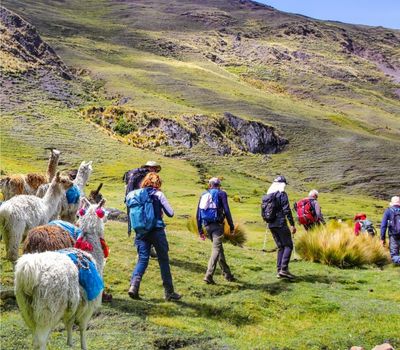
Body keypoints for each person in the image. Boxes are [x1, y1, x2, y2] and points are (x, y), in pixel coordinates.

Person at [127, 172, 181, 301]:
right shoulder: (158, 194)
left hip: (141, 232)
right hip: (157, 230)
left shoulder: (136, 195)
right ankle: (169, 292)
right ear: (157, 183)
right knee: (163, 260)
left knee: (142, 259)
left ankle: (134, 286)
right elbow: (171, 213)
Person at [197, 177, 236, 284]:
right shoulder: (221, 193)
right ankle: (208, 275)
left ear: (210, 185)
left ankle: (227, 274)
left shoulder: (204, 194)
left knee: (219, 249)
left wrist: (200, 230)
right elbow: (227, 210)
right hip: (217, 226)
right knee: (216, 250)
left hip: (207, 226)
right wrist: (231, 226)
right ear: (219, 185)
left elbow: (198, 213)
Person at [263, 175, 296, 279]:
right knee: (288, 245)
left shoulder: (267, 196)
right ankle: (284, 269)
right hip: (280, 223)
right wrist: (292, 224)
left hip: (271, 224)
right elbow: (287, 210)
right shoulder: (281, 194)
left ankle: (279, 271)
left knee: (281, 247)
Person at [123, 161, 161, 236]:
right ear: (150, 168)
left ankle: (139, 237)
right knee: (147, 219)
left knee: (139, 218)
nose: (155, 171)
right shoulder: (147, 177)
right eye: (154, 169)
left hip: (134, 199)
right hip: (144, 201)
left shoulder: (136, 175)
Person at [380, 196, 400, 265]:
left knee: (394, 255)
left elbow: (383, 225)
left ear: (391, 203)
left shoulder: (388, 211)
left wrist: (382, 238)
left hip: (393, 235)